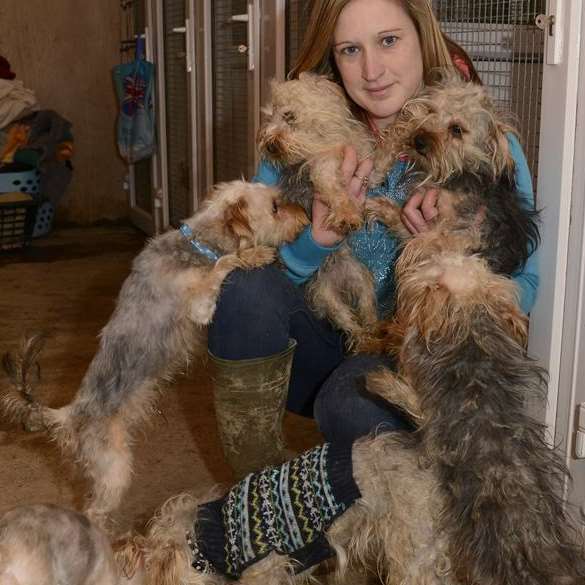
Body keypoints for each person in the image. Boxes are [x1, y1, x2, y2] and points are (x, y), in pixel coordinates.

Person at [207, 0, 539, 478]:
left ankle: (399, 520)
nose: (372, 70)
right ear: (333, 59)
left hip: (416, 351)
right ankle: (255, 494)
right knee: (241, 288)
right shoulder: (301, 127)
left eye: (388, 40)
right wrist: (310, 246)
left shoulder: (478, 138)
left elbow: (525, 276)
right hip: (319, 342)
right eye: (349, 49)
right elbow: (255, 259)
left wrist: (452, 270)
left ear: (423, 38)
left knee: (353, 403)